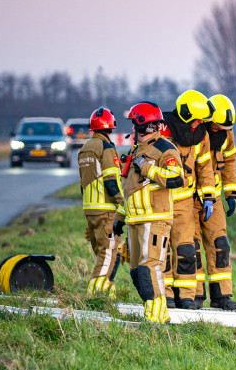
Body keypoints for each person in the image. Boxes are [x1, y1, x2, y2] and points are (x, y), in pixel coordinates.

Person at [115, 102, 184, 323]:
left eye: (135, 124)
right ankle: (152, 312)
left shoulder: (165, 149)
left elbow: (177, 179)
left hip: (154, 218)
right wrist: (119, 217)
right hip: (134, 219)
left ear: (145, 125)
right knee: (137, 273)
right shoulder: (136, 150)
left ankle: (157, 319)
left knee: (149, 268)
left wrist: (147, 168)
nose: (133, 130)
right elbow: (129, 189)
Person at [161, 90, 217, 309]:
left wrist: (209, 196)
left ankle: (186, 296)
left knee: (185, 250)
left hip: (185, 202)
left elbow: (205, 169)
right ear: (184, 114)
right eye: (195, 119)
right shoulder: (162, 129)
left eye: (201, 120)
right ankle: (165, 295)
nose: (198, 123)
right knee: (163, 251)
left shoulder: (201, 134)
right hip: (161, 199)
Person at [192, 93, 236, 310]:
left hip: (216, 198)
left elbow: (229, 163)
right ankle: (194, 294)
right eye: (218, 127)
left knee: (220, 245)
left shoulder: (227, 135)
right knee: (191, 248)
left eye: (225, 128)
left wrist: (232, 193)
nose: (221, 131)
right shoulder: (195, 132)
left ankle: (222, 296)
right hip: (191, 199)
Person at [77, 107, 124, 296]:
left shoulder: (83, 149)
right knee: (108, 254)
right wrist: (123, 204)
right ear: (110, 128)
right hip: (106, 209)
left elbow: (83, 183)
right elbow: (111, 180)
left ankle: (108, 293)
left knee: (109, 254)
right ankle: (94, 295)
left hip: (90, 209)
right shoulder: (106, 148)